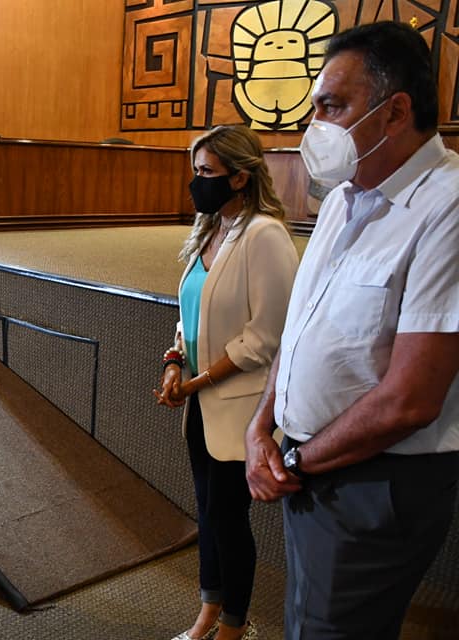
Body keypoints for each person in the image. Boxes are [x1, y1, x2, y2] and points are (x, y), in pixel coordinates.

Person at [244, 21, 459, 640]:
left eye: (332, 106)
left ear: (395, 112)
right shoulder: (343, 196)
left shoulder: (447, 207)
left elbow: (411, 399)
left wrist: (294, 459)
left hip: (374, 482)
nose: (314, 126)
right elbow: (302, 327)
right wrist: (262, 424)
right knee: (307, 621)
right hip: (310, 462)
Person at [154, 125, 298, 640]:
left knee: (228, 520)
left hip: (241, 407)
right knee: (208, 515)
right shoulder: (209, 229)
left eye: (207, 172)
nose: (197, 182)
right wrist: (175, 361)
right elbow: (190, 313)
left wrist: (197, 382)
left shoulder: (265, 236)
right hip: (201, 405)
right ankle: (207, 614)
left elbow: (266, 336)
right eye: (194, 171)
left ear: (240, 177)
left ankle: (235, 626)